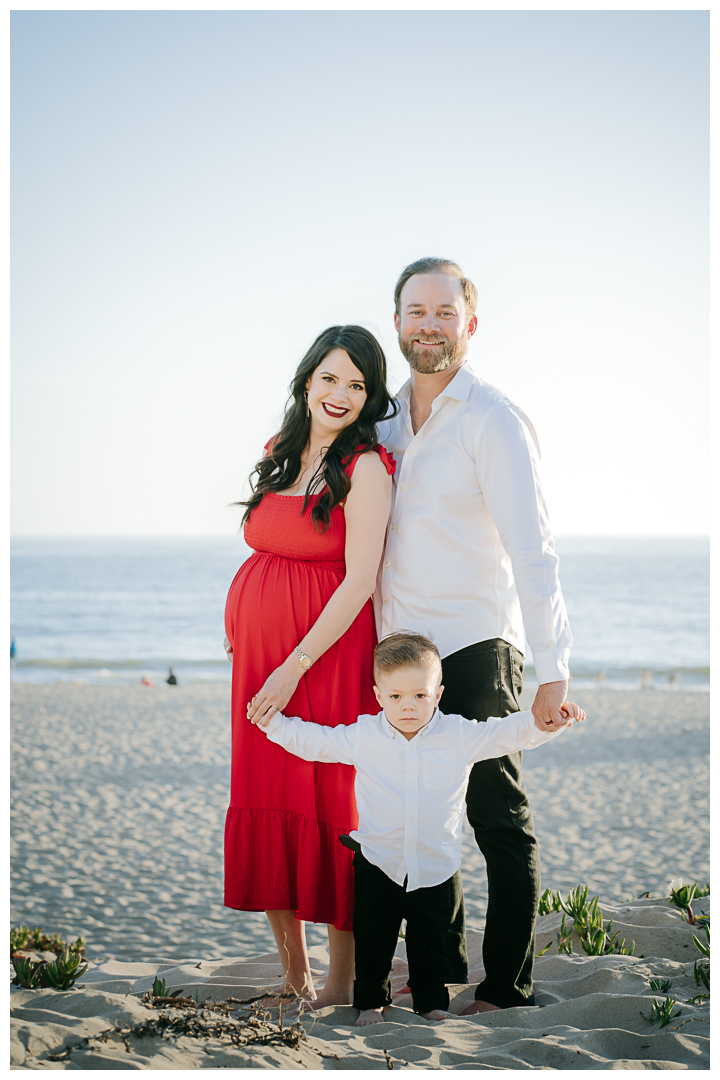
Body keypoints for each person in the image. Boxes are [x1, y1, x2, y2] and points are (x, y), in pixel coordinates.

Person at [375, 257, 576, 1014]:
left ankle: (509, 984)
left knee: (498, 820)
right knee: (419, 818)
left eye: (444, 313)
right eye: (415, 311)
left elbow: (535, 549)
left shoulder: (492, 418)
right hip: (401, 653)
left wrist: (553, 668)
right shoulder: (384, 418)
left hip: (477, 645)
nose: (429, 325)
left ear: (470, 324)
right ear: (396, 321)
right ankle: (439, 966)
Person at [250, 632, 584, 1025]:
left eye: (419, 696)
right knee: (374, 942)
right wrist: (274, 725)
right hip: (378, 862)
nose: (408, 706)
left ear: (438, 694)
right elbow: (317, 742)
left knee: (431, 944)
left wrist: (551, 722)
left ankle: (430, 1004)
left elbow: (507, 733)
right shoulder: (364, 736)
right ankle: (372, 1002)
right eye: (396, 697)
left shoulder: (459, 735)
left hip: (434, 868)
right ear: (378, 696)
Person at [223, 325, 397, 1009]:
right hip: (260, 661)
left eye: (356, 384)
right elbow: (264, 551)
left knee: (330, 804)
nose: (340, 394)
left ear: (369, 396)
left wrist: (291, 668)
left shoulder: (368, 468)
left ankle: (341, 980)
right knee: (267, 798)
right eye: (330, 378)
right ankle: (291, 975)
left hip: (321, 661)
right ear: (306, 380)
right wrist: (236, 619)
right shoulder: (278, 452)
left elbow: (358, 582)